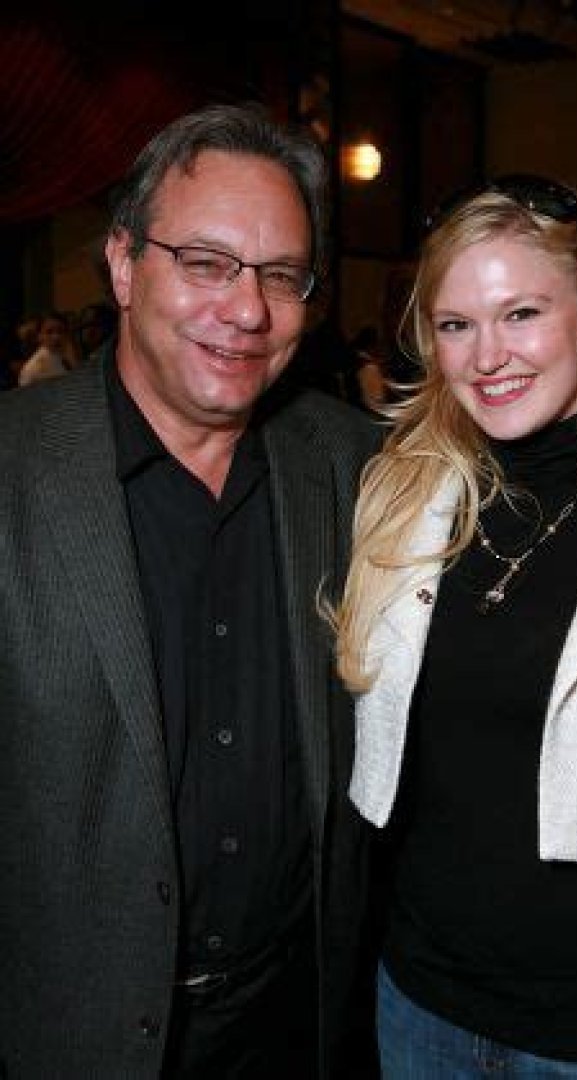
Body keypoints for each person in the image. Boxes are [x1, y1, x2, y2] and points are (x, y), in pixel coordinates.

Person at [0, 102, 381, 1079]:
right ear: (124, 264)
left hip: (301, 1029)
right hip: (67, 1040)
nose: (247, 310)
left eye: (281, 276)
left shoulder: (355, 467)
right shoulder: (13, 466)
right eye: (206, 263)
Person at [331, 174, 577, 1077]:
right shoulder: (410, 494)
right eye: (456, 324)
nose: (487, 356)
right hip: (419, 1006)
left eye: (521, 314)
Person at [17, 308, 78, 386]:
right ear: (39, 336)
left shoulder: (67, 356)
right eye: (49, 332)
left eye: (60, 331)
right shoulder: (32, 368)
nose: (56, 337)